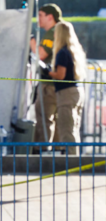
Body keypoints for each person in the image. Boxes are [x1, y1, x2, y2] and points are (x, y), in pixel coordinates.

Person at [48, 21, 86, 155]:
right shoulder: (74, 51)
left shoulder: (62, 53)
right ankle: (74, 157)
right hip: (77, 91)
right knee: (74, 127)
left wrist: (48, 72)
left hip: (66, 93)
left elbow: (60, 75)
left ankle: (69, 161)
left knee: (66, 128)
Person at [30, 3, 63, 149]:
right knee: (55, 119)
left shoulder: (53, 32)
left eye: (40, 16)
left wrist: (31, 40)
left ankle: (42, 151)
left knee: (44, 117)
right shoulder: (60, 31)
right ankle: (56, 152)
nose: (38, 19)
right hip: (58, 83)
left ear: (50, 17)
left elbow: (41, 54)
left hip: (49, 83)